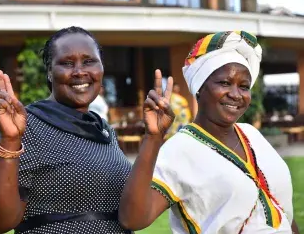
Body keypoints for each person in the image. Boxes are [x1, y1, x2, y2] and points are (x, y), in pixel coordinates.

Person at [0, 26, 175, 234]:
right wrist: (9, 141)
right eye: (67, 63)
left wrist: (153, 137)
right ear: (49, 72)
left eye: (89, 61)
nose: (80, 71)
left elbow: (132, 216)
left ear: (101, 69)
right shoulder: (27, 125)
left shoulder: (103, 130)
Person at [119, 31, 300, 234]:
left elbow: (281, 213)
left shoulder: (252, 135)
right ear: (199, 87)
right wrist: (153, 138)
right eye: (224, 83)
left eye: (244, 86)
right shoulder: (180, 150)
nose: (235, 94)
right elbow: (132, 219)